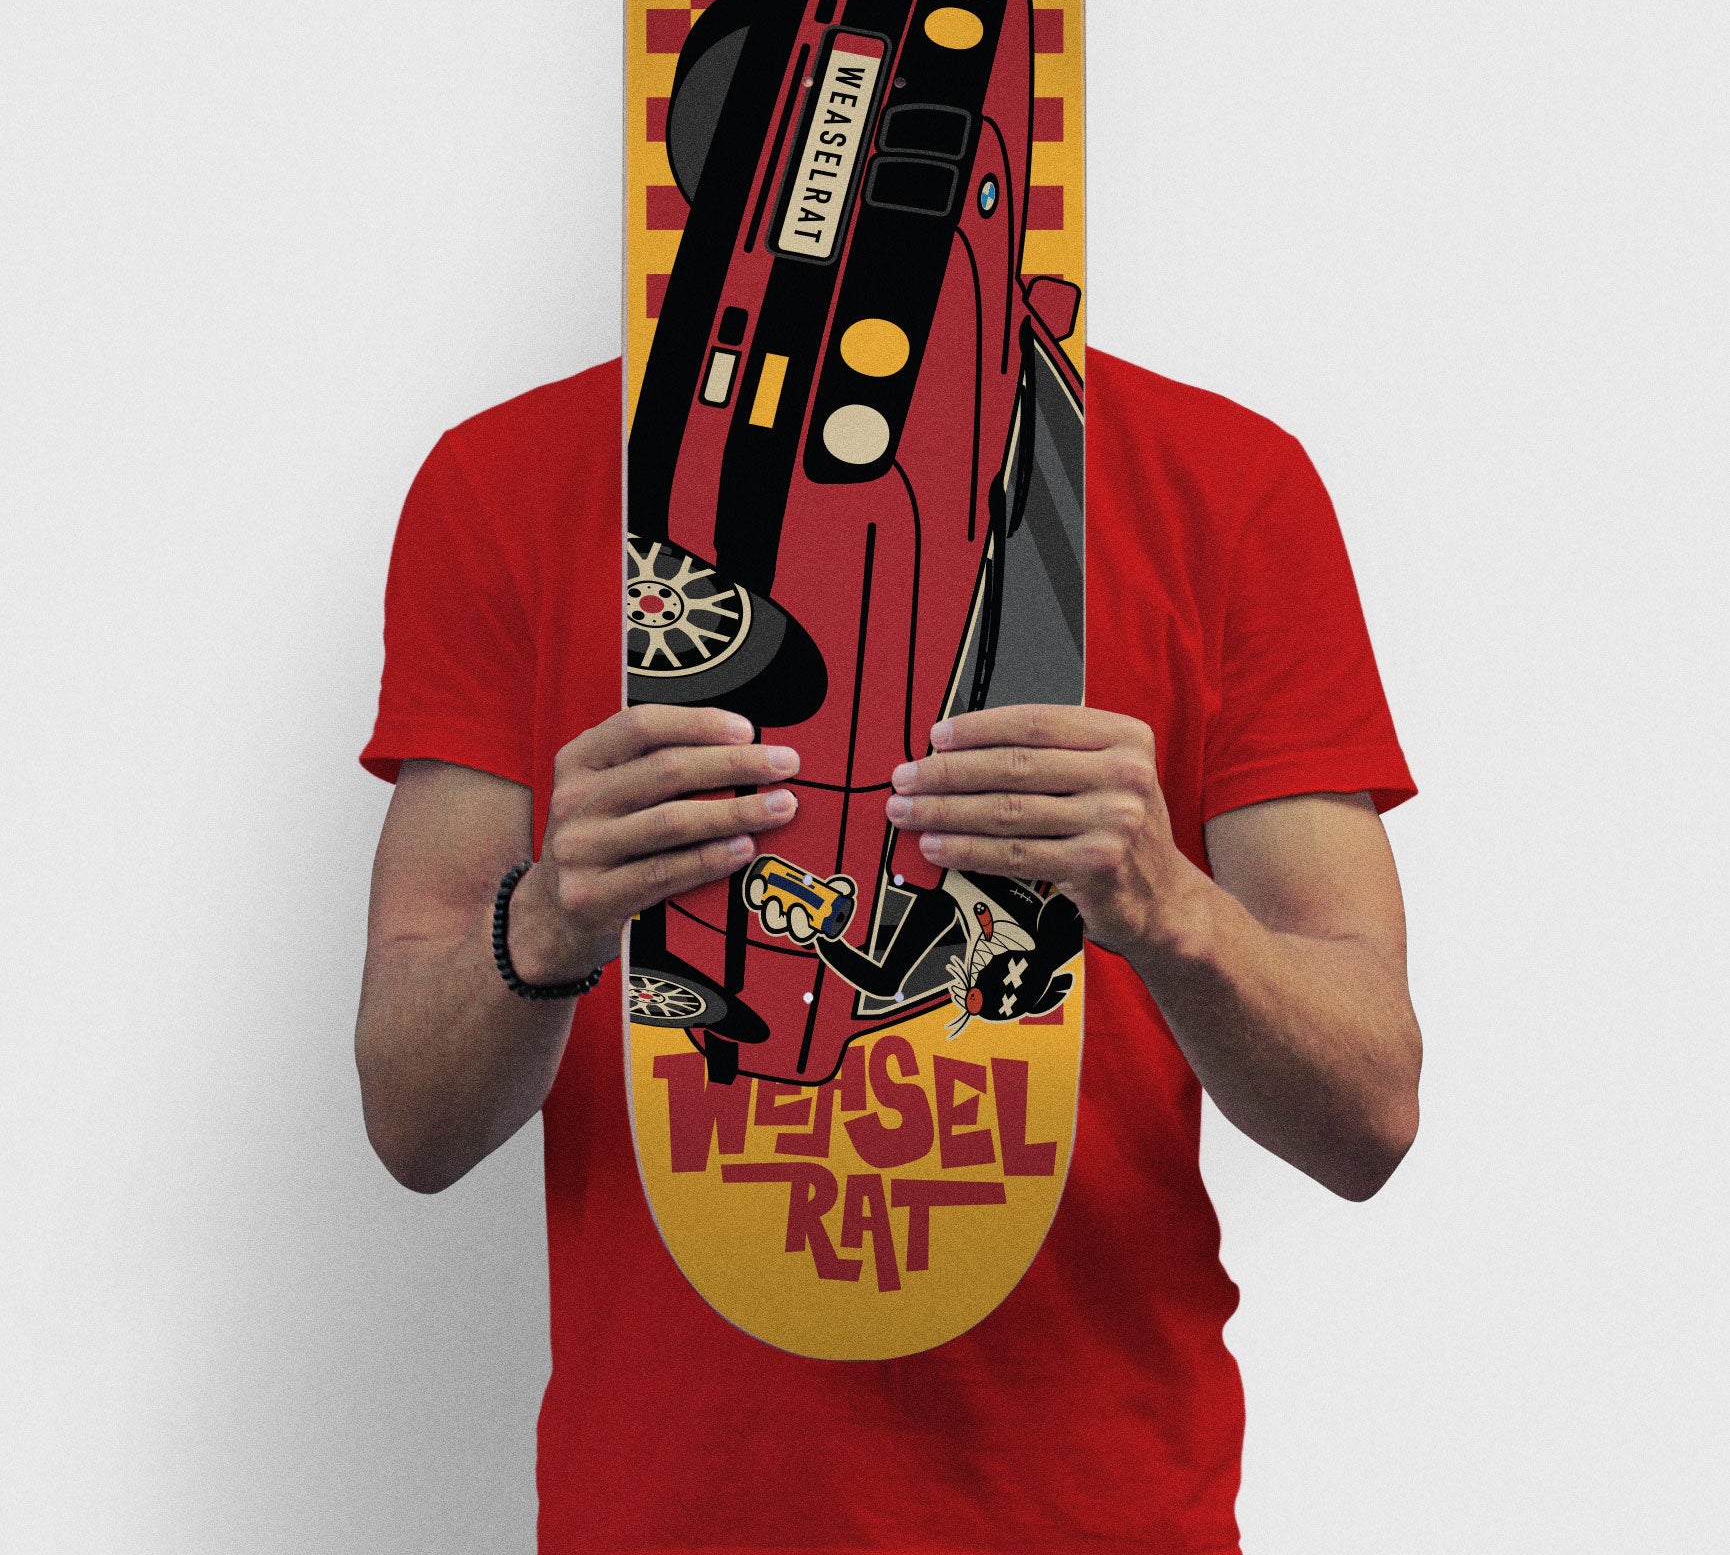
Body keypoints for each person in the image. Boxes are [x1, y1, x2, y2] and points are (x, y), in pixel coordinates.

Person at [356, 348, 1419, 1555]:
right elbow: (411, 1121)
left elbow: (1367, 1114)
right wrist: (551, 915)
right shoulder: (503, 482)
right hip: (670, 1513)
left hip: (1096, 1513)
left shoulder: (1225, 484)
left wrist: (1171, 907)